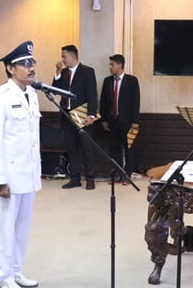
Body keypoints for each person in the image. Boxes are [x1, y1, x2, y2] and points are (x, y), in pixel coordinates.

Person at [0, 41, 42, 288]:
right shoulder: (0, 97)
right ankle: (3, 277)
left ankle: (16, 271)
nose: (31, 68)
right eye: (25, 63)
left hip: (28, 175)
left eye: (32, 62)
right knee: (5, 230)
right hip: (8, 177)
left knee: (21, 229)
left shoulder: (32, 94)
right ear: (10, 68)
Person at [52, 44, 98, 189]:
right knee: (71, 148)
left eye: (64, 56)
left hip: (82, 114)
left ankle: (90, 179)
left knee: (87, 148)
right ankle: (75, 178)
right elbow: (56, 90)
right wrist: (57, 72)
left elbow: (92, 94)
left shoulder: (87, 71)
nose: (62, 59)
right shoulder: (64, 72)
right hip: (67, 115)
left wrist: (91, 115)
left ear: (72, 56)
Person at [99, 54, 140, 184]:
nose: (110, 67)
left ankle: (127, 175)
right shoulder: (107, 81)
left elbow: (136, 101)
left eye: (112, 64)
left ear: (120, 65)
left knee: (129, 149)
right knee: (114, 149)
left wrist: (135, 121)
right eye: (110, 64)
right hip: (112, 121)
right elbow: (103, 101)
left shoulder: (131, 81)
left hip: (128, 121)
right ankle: (117, 174)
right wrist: (103, 119)